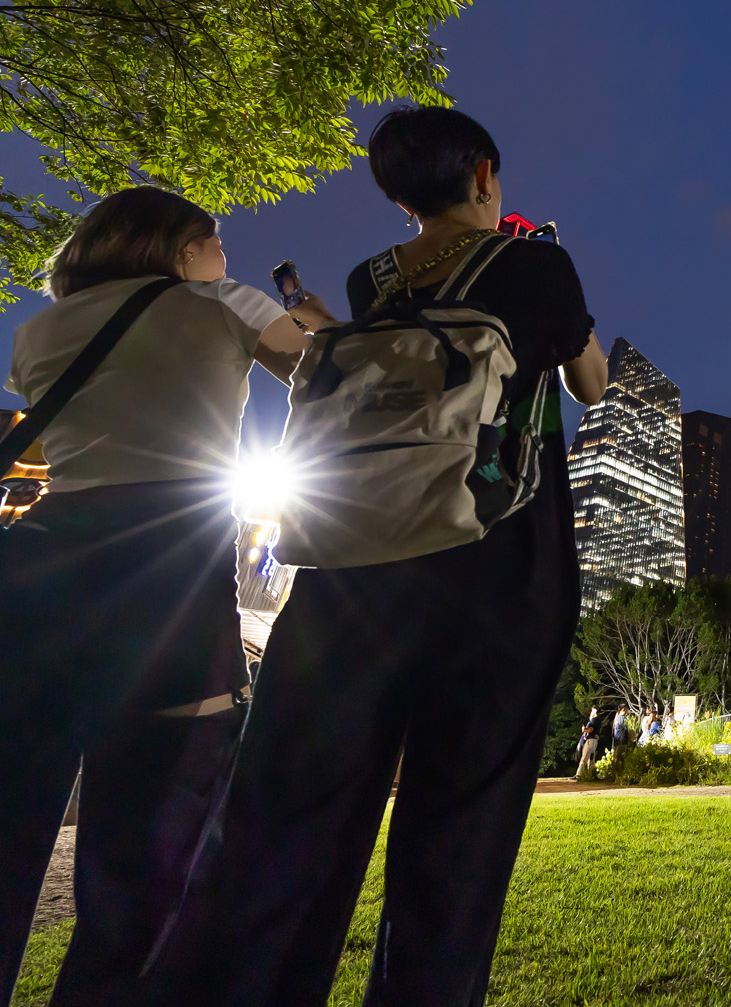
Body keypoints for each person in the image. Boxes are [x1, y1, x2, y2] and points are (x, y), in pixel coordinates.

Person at [0, 187, 328, 1007]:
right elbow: (333, 380)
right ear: (179, 251)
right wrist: (309, 316)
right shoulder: (217, 302)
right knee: (152, 873)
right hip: (167, 572)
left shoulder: (38, 331)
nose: (225, 259)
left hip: (38, 581)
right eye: (215, 244)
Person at [169, 106, 606, 1006]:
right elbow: (590, 383)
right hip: (500, 557)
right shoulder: (538, 262)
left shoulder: (372, 279)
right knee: (460, 828)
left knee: (294, 816)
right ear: (484, 173)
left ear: (398, 193)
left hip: (355, 560)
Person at [572, 707, 603, 781]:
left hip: (590, 741)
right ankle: (591, 775)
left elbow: (591, 729)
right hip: (594, 741)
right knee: (591, 759)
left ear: (595, 711)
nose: (591, 712)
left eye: (592, 710)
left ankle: (579, 775)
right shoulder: (598, 720)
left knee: (584, 757)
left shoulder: (594, 720)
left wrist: (584, 729)